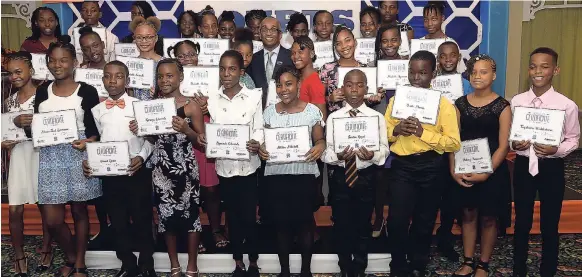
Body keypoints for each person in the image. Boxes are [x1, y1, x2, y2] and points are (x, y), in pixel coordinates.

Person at [26, 35, 102, 277]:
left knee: (80, 211)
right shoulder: (41, 92)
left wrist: (87, 142)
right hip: (50, 158)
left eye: (63, 60)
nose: (57, 65)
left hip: (76, 156)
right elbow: (36, 130)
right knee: (52, 219)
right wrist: (24, 124)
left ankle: (78, 262)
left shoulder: (87, 91)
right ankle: (70, 254)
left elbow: (95, 132)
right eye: (53, 61)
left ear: (74, 63)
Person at [384, 50, 461, 277]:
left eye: (422, 73)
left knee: (425, 219)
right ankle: (397, 264)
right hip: (402, 167)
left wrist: (423, 133)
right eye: (412, 72)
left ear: (433, 74)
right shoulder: (396, 101)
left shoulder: (444, 105)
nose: (416, 78)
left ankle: (418, 263)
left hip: (431, 166)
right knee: (397, 220)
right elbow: (385, 132)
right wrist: (396, 130)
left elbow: (453, 143)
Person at [131, 59, 205, 277]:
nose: (164, 80)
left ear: (180, 77)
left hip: (186, 167)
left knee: (191, 216)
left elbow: (202, 141)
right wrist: (141, 130)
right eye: (161, 76)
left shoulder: (191, 106)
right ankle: (174, 264)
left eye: (169, 75)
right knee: (166, 216)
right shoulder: (151, 106)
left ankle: (192, 265)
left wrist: (187, 129)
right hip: (161, 167)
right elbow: (153, 138)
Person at [81, 61, 156, 277]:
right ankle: (127, 263)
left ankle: (146, 263)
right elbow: (94, 141)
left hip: (136, 173)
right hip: (110, 176)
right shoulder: (96, 110)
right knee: (118, 221)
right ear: (102, 80)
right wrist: (89, 161)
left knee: (142, 219)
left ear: (127, 80)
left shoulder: (138, 106)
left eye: (118, 76)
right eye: (108, 76)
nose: (112, 81)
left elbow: (151, 140)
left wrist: (141, 158)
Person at [511, 47, 580, 277]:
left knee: (550, 224)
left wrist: (556, 149)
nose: (537, 71)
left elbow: (573, 139)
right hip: (523, 166)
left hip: (551, 167)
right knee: (521, 221)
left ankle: (548, 270)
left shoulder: (566, 105)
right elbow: (511, 134)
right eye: (533, 66)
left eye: (544, 66)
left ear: (556, 70)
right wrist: (515, 144)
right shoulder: (517, 101)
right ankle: (518, 268)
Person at [197, 50, 263, 277]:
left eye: (232, 69)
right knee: (232, 218)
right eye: (222, 69)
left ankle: (253, 261)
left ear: (241, 72)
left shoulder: (254, 96)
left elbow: (259, 127)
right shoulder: (212, 99)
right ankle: (238, 262)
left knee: (249, 216)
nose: (226, 74)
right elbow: (211, 129)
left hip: (248, 166)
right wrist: (207, 138)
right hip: (225, 167)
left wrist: (257, 142)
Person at [258, 65, 325, 277]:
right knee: (281, 227)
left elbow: (320, 139)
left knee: (305, 225)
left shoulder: (312, 111)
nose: (283, 89)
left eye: (288, 84)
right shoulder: (269, 113)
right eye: (279, 85)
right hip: (276, 177)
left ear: (298, 85)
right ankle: (284, 271)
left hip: (304, 175)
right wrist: (262, 150)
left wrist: (320, 146)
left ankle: (306, 271)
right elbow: (264, 142)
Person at [322, 69, 389, 277]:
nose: (354, 89)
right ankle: (344, 266)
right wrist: (338, 156)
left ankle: (359, 267)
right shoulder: (334, 117)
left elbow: (385, 149)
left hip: (366, 176)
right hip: (341, 177)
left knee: (363, 224)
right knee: (341, 224)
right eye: (349, 85)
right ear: (342, 88)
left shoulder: (376, 117)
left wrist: (373, 155)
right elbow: (326, 152)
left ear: (366, 89)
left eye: (359, 85)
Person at [450, 54, 512, 277]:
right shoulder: (460, 104)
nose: (477, 76)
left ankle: (483, 263)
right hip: (464, 169)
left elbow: (504, 146)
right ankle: (468, 260)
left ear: (493, 75)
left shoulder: (502, 106)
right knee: (468, 214)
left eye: (483, 72)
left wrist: (486, 173)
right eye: (474, 72)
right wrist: (453, 169)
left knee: (488, 217)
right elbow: (453, 140)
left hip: (492, 172)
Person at [3, 52, 53, 276]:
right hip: (19, 157)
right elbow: (5, 132)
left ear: (30, 71)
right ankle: (19, 254)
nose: (14, 76)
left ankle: (46, 247)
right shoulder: (9, 102)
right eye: (10, 73)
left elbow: (53, 128)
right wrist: (4, 141)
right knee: (15, 209)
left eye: (18, 71)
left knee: (45, 206)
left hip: (40, 154)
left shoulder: (44, 97)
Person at [370, 24, 406, 239]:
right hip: (381, 128)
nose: (390, 45)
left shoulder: (409, 67)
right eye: (385, 41)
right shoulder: (372, 68)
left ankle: (395, 220)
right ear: (380, 43)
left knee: (399, 180)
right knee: (380, 178)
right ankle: (377, 218)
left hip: (403, 129)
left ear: (400, 42)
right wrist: (373, 97)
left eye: (394, 40)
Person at [247, 17, 293, 108]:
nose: (268, 33)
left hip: (285, 111)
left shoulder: (291, 57)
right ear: (260, 34)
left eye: (273, 29)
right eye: (264, 29)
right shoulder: (252, 59)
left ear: (280, 35)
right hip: (257, 111)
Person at [319, 26, 367, 114]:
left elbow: (368, 97)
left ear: (355, 42)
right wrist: (330, 98)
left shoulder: (365, 68)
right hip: (336, 122)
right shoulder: (327, 69)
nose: (344, 46)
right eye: (338, 43)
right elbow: (317, 99)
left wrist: (374, 98)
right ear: (335, 48)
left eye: (347, 40)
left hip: (362, 121)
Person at [291, 36, 326, 118]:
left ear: (311, 54)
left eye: (300, 52)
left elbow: (321, 118)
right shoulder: (297, 78)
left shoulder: (314, 82)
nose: (295, 56)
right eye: (293, 53)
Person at [129, 16, 162, 101]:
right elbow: (131, 93)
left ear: (156, 38)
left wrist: (159, 94)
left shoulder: (165, 63)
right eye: (139, 37)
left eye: (149, 37)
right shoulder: (130, 64)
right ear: (134, 39)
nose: (144, 41)